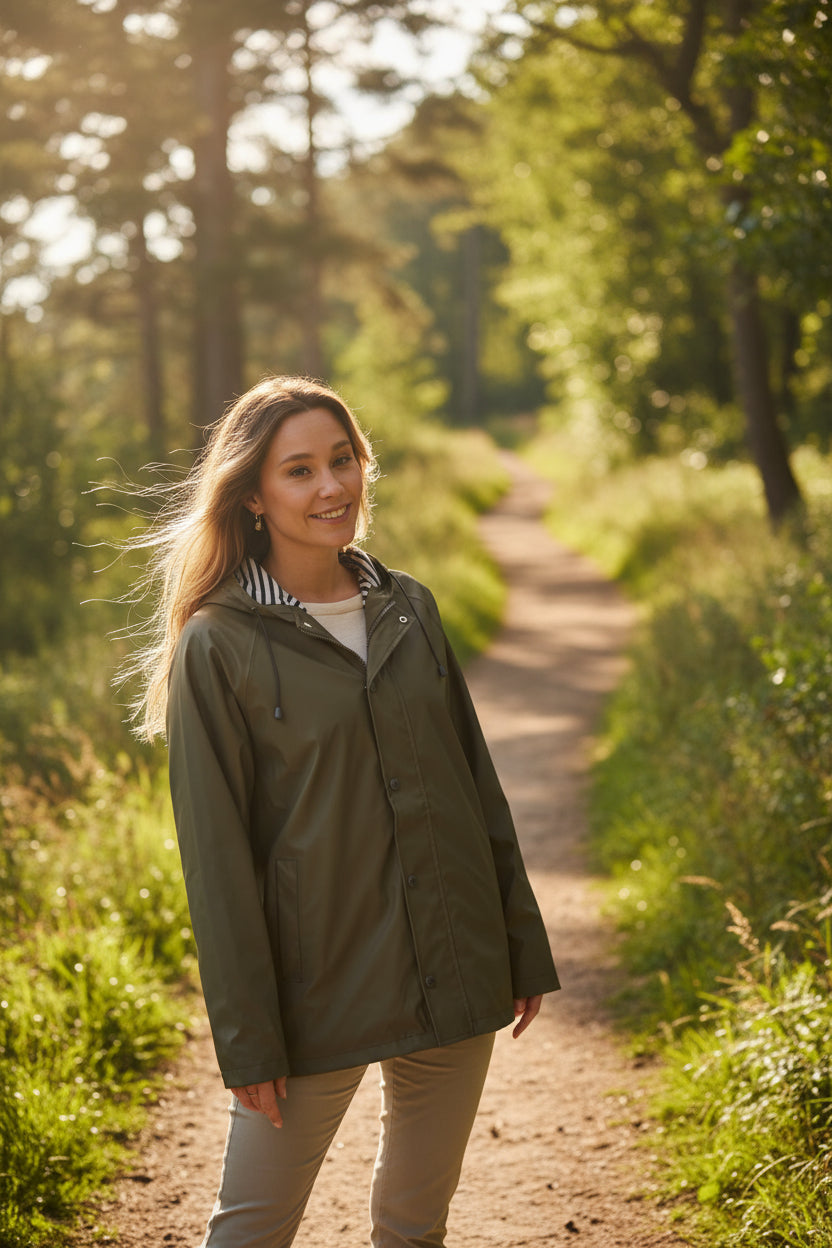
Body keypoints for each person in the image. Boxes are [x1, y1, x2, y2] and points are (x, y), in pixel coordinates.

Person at [131, 375, 559, 1247]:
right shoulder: (219, 643)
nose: (331, 486)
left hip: (454, 962)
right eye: (299, 471)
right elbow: (216, 858)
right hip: (315, 995)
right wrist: (249, 1039)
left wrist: (518, 942)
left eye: (342, 460)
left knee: (414, 1228)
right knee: (250, 1230)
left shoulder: (412, 607)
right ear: (253, 495)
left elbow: (475, 785)